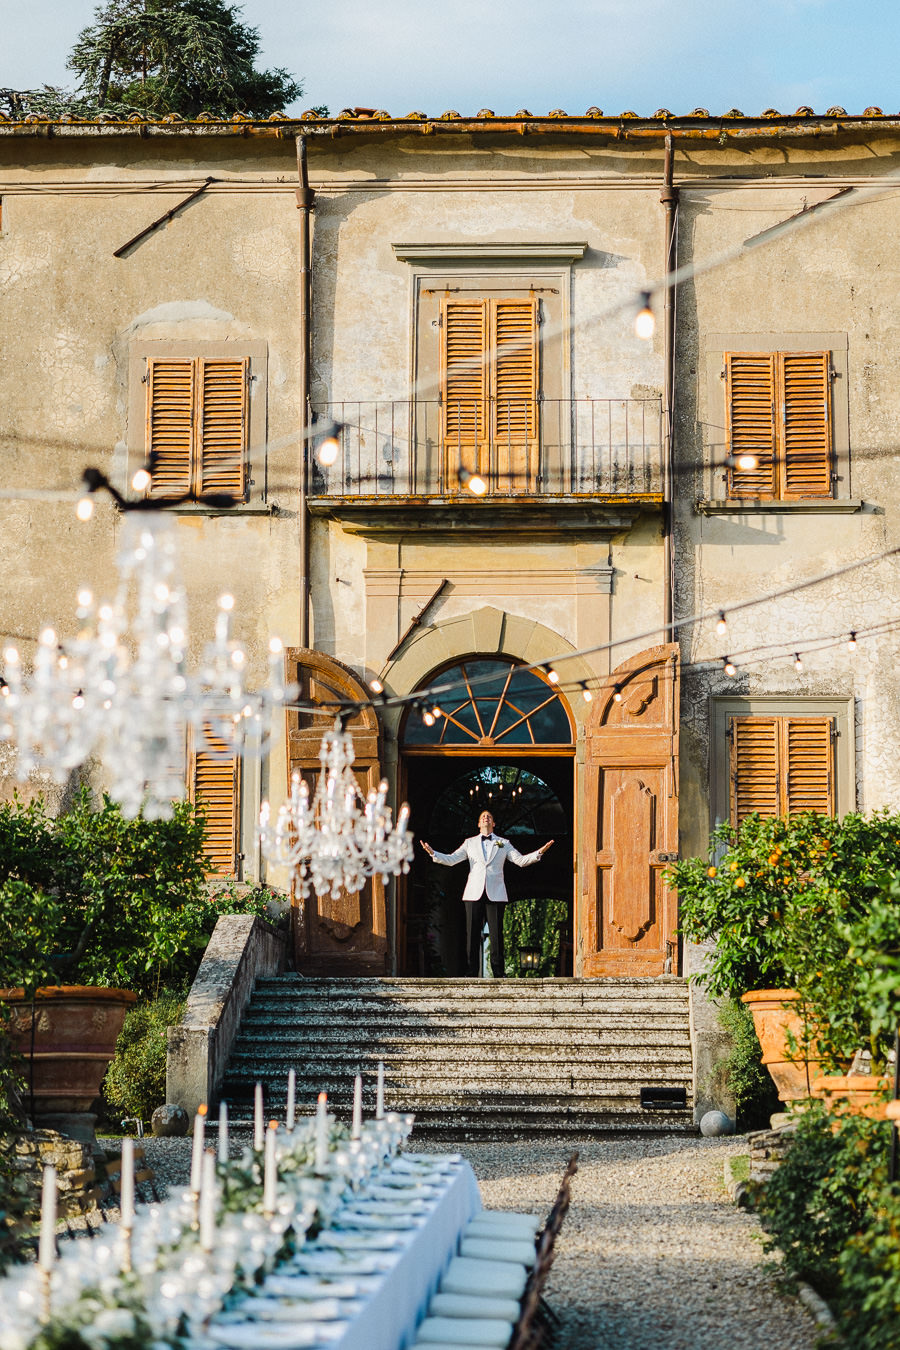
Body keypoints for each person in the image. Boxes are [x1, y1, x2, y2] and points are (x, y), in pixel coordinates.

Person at [421, 810, 554, 978]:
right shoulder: (469, 843)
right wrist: (433, 853)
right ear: (478, 824)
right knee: (472, 934)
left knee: (496, 934)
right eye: (483, 816)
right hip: (473, 893)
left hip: (496, 893)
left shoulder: (503, 843)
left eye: (489, 816)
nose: (486, 818)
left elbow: (520, 861)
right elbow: (452, 859)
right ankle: (471, 971)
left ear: (493, 823)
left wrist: (540, 852)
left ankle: (498, 972)